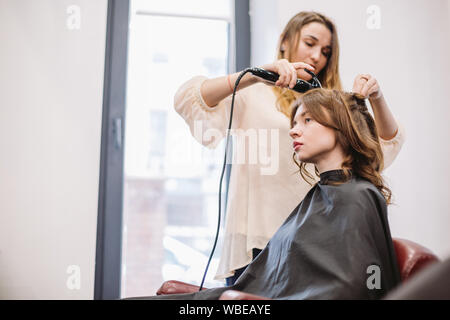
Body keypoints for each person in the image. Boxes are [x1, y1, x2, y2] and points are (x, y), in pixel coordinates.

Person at [174, 11, 405, 285]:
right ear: (284, 41)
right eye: (310, 43)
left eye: (326, 51)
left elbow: (382, 147)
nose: (317, 56)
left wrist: (376, 99)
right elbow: (188, 100)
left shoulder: (332, 108)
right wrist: (255, 75)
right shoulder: (252, 92)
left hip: (310, 241)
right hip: (256, 237)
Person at [129, 88, 401, 300]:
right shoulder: (325, 192)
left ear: (343, 125)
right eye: (295, 121)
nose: (294, 129)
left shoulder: (356, 197)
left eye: (307, 120)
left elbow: (351, 289)